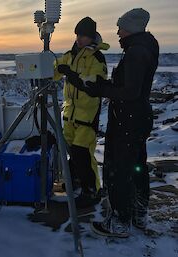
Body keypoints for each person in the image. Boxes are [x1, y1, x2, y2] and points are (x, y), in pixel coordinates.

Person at [64, 8, 159, 237]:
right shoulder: (143, 47)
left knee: (120, 169)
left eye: (121, 27)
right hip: (135, 118)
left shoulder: (136, 52)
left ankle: (119, 222)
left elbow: (130, 91)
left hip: (128, 119)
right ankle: (137, 213)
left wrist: (101, 89)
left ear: (131, 28)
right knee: (137, 166)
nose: (117, 32)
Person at [54, 17, 110, 208]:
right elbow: (55, 70)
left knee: (83, 153)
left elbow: (92, 84)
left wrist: (69, 73)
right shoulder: (70, 55)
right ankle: (76, 180)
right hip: (70, 114)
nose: (79, 39)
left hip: (87, 115)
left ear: (92, 36)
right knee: (72, 152)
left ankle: (92, 190)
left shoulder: (97, 58)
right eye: (78, 35)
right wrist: (48, 67)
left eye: (84, 35)